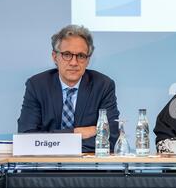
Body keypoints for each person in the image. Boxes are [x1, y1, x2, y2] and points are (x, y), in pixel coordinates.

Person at [17, 24, 120, 153]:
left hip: (90, 169)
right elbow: (26, 137)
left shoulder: (103, 86)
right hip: (46, 169)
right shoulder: (37, 85)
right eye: (67, 54)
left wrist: (52, 141)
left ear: (88, 60)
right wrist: (75, 133)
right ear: (55, 57)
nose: (73, 62)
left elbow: (112, 139)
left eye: (81, 56)